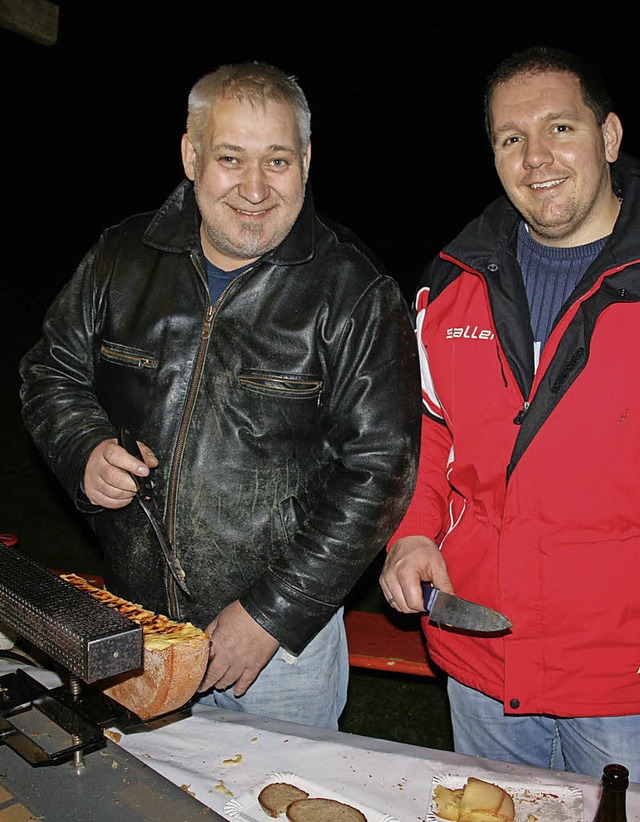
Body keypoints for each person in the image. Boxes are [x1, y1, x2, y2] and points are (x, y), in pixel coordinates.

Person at [20, 61, 421, 730]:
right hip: (135, 629)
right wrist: (82, 445)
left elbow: (381, 469)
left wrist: (272, 613)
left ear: (307, 160)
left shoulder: (353, 290)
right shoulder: (122, 256)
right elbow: (50, 372)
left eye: (278, 160)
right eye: (231, 158)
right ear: (191, 155)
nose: (256, 189)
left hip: (280, 655)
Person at [380, 45, 640, 780]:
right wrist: (411, 534)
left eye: (560, 128)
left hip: (621, 681)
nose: (535, 158)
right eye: (510, 138)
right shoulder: (450, 284)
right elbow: (427, 431)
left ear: (610, 137)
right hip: (481, 658)